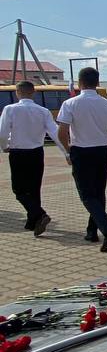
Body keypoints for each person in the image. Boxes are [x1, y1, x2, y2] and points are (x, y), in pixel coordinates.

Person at [56, 66, 107, 251]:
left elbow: (61, 132)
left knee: (86, 194)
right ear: (97, 83)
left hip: (81, 151)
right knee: (98, 191)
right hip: (103, 151)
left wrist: (67, 151)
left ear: (79, 83)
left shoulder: (70, 104)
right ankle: (91, 231)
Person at [0, 80, 66, 236]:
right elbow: (55, 133)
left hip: (18, 153)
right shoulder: (43, 111)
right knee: (34, 188)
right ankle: (33, 222)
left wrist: (4, 147)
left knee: (19, 190)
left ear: (17, 92)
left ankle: (40, 214)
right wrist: (66, 152)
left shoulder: (10, 109)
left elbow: (2, 133)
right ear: (33, 92)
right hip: (37, 153)